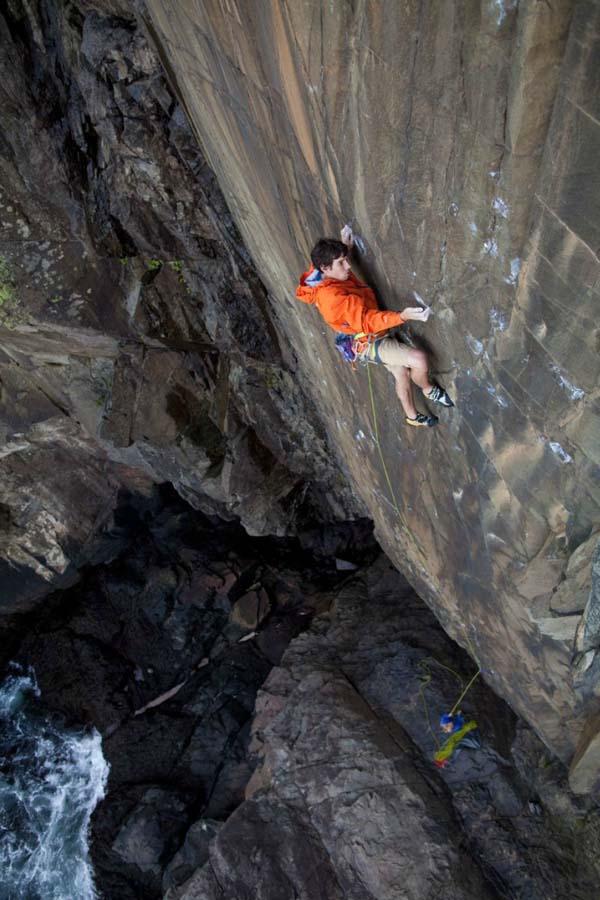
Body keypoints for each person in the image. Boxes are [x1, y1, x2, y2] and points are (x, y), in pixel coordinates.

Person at [296, 230, 454, 427]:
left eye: (345, 259)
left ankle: (413, 417)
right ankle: (428, 389)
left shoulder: (319, 274)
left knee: (401, 373)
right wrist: (402, 316)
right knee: (418, 359)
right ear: (325, 268)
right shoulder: (332, 299)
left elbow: (325, 261)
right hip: (369, 340)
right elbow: (368, 322)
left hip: (362, 333)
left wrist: (346, 247)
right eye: (341, 263)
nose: (348, 266)